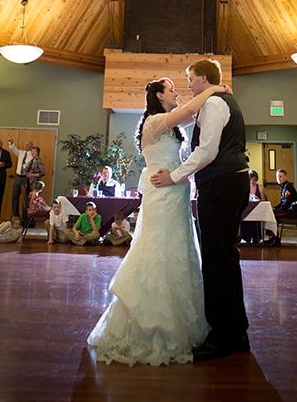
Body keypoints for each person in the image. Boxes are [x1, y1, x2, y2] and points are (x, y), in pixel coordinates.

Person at [88, 74, 229, 366]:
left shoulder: (171, 124)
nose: (176, 93)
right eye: (171, 90)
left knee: (177, 248)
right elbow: (190, 110)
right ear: (159, 96)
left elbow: (194, 114)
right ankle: (151, 321)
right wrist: (215, 88)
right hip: (161, 191)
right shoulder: (153, 122)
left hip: (175, 192)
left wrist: (212, 98)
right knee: (158, 247)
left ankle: (181, 319)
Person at [150, 60, 250, 361]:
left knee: (218, 260)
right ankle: (236, 331)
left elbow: (207, 152)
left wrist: (175, 175)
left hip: (221, 185)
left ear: (203, 78)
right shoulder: (218, 101)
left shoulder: (214, 105)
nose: (188, 84)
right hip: (230, 182)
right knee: (226, 257)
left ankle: (222, 337)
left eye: (191, 78)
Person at [263, 168, 297, 246]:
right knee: (271, 213)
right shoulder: (284, 187)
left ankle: (275, 239)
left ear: (285, 177)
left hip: (293, 212)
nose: (278, 178)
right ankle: (273, 238)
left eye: (280, 176)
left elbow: (287, 204)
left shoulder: (288, 187)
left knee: (271, 215)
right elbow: (282, 203)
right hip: (290, 210)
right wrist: (274, 208)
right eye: (277, 177)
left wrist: (278, 210)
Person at [8, 138, 33, 218]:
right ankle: (16, 216)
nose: (26, 146)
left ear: (32, 146)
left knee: (25, 199)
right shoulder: (21, 153)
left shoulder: (33, 155)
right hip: (18, 177)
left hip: (26, 179)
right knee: (14, 196)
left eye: (28, 145)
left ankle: (24, 218)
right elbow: (13, 149)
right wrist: (11, 143)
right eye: (26, 144)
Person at [241, 169, 267, 244]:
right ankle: (246, 237)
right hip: (247, 209)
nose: (252, 182)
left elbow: (263, 200)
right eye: (251, 180)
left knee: (255, 218)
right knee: (244, 216)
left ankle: (257, 238)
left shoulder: (260, 187)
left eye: (254, 180)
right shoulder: (246, 187)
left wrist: (258, 199)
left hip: (257, 209)